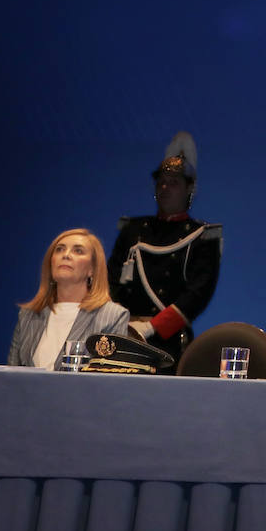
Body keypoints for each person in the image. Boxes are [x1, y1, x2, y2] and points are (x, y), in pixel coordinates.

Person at [108, 131, 222, 366]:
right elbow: (111, 279)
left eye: (174, 183)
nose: (165, 188)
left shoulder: (202, 237)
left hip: (168, 341)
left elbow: (197, 294)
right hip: (123, 333)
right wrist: (120, 322)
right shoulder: (132, 230)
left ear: (189, 189)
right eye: (161, 181)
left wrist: (152, 327)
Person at [8, 229, 130, 368]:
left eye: (78, 251)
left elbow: (109, 381)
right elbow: (11, 377)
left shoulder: (112, 316)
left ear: (92, 269)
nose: (66, 255)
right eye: (59, 249)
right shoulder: (28, 315)